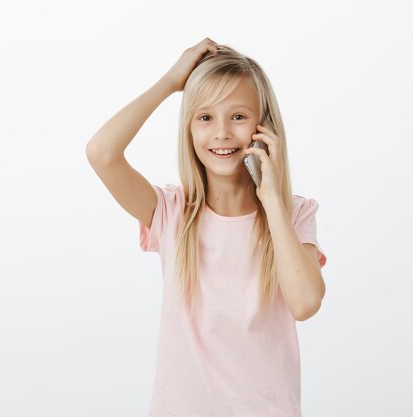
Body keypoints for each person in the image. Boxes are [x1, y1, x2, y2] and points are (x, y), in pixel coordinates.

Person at [85, 37, 327, 417]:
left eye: (238, 116)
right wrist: (170, 82)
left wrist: (272, 200)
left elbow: (305, 303)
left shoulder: (293, 214)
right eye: (205, 117)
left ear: (263, 129)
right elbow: (101, 152)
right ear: (189, 128)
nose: (222, 133)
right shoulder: (171, 212)